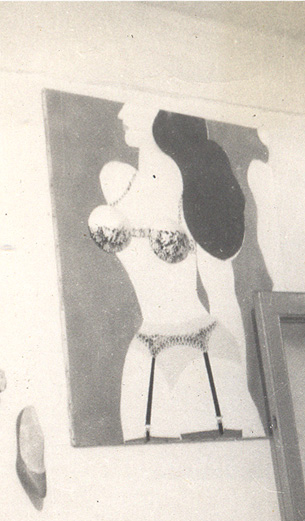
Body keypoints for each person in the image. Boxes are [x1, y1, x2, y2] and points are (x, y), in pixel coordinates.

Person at [88, 102, 264, 442]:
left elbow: (223, 293)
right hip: (144, 347)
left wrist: (237, 387)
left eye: (134, 102)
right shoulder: (115, 178)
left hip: (204, 346)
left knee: (220, 463)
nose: (122, 112)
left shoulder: (197, 192)